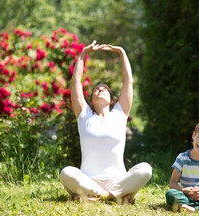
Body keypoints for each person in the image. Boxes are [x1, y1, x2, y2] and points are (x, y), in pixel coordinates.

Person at [60, 41, 152, 204]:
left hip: (117, 181)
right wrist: (82, 55)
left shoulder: (119, 113)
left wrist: (122, 53)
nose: (100, 90)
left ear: (111, 100)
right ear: (92, 101)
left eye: (105, 89)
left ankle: (98, 197)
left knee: (146, 169)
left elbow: (128, 82)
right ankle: (113, 197)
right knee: (66, 173)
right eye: (96, 89)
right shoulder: (84, 115)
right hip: (88, 180)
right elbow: (75, 83)